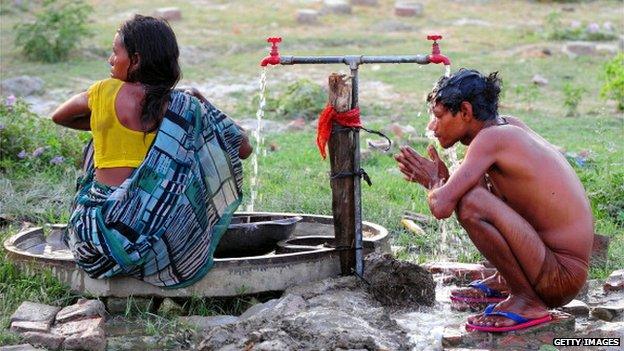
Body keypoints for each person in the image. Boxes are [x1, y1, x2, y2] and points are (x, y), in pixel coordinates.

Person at [51, 15, 252, 288]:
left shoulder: (102, 92)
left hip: (94, 239)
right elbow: (242, 146)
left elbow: (59, 116)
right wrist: (201, 102)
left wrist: (103, 121)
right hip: (160, 244)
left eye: (115, 52)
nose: (111, 60)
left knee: (95, 144)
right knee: (188, 149)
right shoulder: (182, 108)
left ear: (135, 60)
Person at [394, 69, 593, 332]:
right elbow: (468, 189)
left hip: (559, 278)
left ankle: (527, 300)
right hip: (554, 266)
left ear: (465, 112)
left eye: (439, 116)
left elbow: (442, 206)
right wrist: (445, 181)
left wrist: (434, 181)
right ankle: (506, 281)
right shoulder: (504, 127)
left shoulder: (491, 139)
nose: (432, 127)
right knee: (472, 193)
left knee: (471, 203)